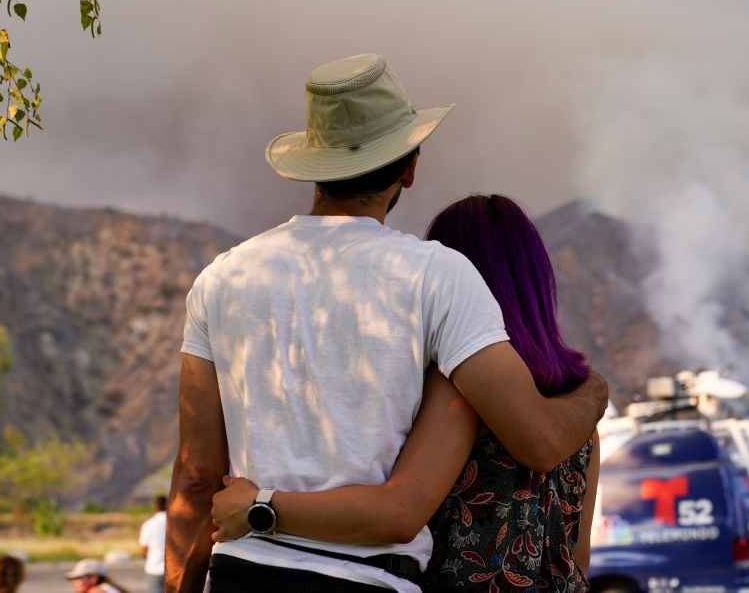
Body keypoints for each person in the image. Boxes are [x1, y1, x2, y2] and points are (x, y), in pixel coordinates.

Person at [167, 53, 608, 592]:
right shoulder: (437, 275)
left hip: (242, 573)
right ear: (410, 166)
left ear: (314, 166)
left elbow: (195, 476)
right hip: (367, 578)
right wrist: (595, 392)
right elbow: (537, 443)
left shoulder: (221, 279)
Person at [211, 194, 601, 592]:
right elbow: (577, 554)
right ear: (536, 279)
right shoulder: (577, 413)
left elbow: (398, 511)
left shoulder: (455, 392)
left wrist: (260, 505)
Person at [138, 495, 167, 592]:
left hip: (154, 567)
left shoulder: (148, 524)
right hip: (174, 568)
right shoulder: (175, 524)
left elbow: (143, 550)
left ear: (155, 506)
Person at [65, 558, 130, 593]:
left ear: (93, 578)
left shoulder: (96, 591)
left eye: (78, 578)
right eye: (73, 579)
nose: (74, 582)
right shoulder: (107, 588)